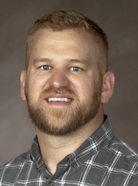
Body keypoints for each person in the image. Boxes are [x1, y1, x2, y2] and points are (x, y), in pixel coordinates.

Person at [0, 9, 138, 186]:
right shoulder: (5, 179)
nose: (57, 82)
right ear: (24, 84)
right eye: (44, 67)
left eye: (75, 68)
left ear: (106, 86)